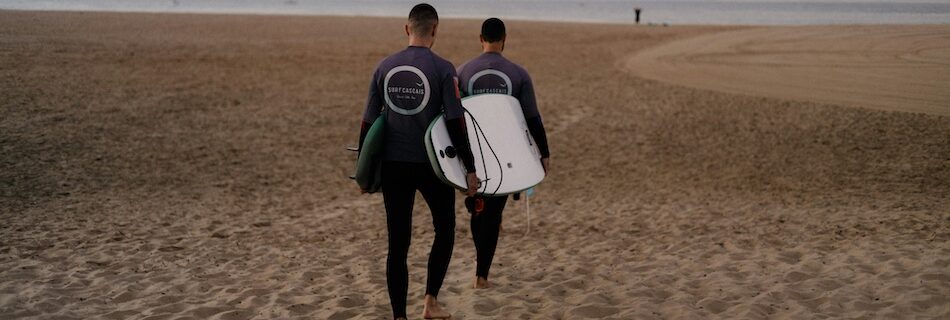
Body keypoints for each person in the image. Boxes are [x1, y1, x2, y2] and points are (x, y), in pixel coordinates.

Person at [359, 3, 479, 320]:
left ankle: (400, 315)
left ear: (407, 28)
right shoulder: (443, 68)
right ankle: (430, 302)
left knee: (398, 243)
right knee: (445, 229)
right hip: (432, 167)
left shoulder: (384, 67)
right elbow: (455, 122)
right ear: (435, 31)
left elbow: (369, 123)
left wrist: (364, 172)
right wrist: (469, 168)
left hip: (394, 165)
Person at [455, 17, 551, 289]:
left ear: (480, 38)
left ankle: (479, 264)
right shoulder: (518, 74)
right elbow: (532, 117)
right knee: (494, 213)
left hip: (473, 153)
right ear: (504, 39)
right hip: (505, 154)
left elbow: (454, 117)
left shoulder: (462, 72)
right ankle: (482, 275)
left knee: (478, 210)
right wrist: (543, 152)